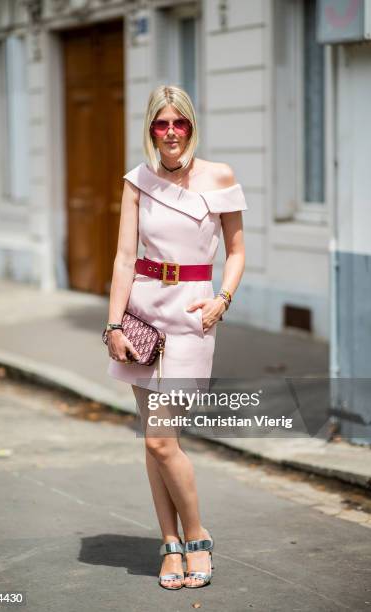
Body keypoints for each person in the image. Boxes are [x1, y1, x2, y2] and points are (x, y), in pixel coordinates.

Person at [105, 84, 247, 589]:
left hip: (192, 314)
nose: (170, 133)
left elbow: (235, 252)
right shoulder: (137, 181)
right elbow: (124, 258)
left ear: (191, 125)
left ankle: (197, 536)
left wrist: (222, 300)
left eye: (178, 123)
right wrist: (114, 323)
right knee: (153, 440)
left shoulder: (219, 176)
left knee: (162, 438)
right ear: (151, 130)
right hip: (144, 312)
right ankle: (169, 546)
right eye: (161, 125)